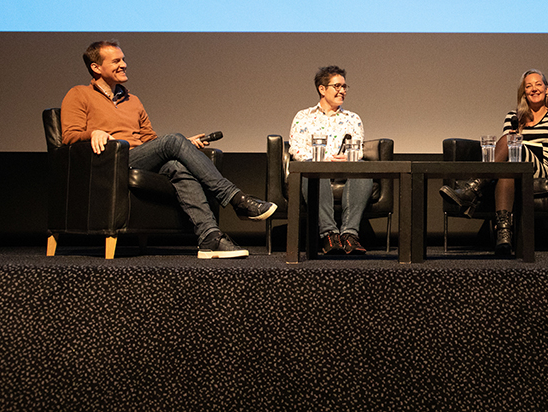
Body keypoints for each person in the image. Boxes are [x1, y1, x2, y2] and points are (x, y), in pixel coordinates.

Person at [61, 40, 277, 259]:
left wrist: (185, 146)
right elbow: (69, 136)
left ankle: (209, 237)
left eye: (124, 59)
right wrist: (93, 133)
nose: (124, 64)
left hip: (138, 158)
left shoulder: (132, 100)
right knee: (173, 140)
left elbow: (150, 140)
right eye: (116, 60)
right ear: (96, 68)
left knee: (177, 166)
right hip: (110, 161)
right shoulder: (79, 94)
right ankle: (237, 200)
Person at [440, 69, 548, 256]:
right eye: (528, 86)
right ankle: (504, 237)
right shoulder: (514, 116)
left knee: (509, 143)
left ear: (547, 89)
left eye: (538, 84)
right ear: (524, 93)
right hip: (515, 165)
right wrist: (512, 138)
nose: (534, 89)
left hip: (540, 167)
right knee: (506, 168)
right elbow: (505, 150)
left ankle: (474, 188)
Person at [289, 66, 373, 256]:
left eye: (344, 87)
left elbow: (358, 150)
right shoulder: (303, 117)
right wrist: (322, 160)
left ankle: (349, 235)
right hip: (317, 167)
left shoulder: (352, 118)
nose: (342, 91)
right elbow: (296, 149)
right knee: (311, 169)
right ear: (322, 89)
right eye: (337, 86)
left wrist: (349, 157)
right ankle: (329, 234)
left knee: (362, 168)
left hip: (345, 169)